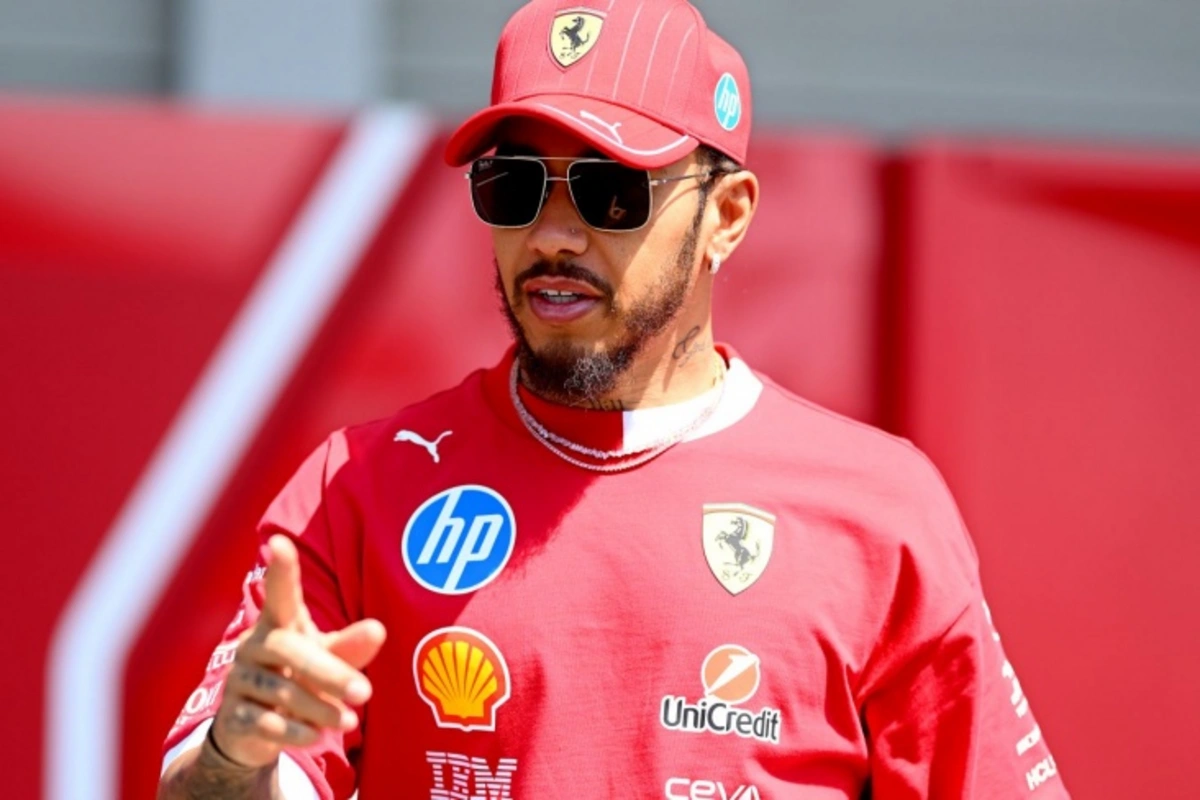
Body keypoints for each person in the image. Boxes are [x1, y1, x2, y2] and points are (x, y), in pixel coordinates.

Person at [158, 1, 1070, 797]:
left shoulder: (881, 511)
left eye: (611, 190)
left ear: (726, 216)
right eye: (514, 185)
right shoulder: (359, 485)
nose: (552, 235)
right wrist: (238, 755)